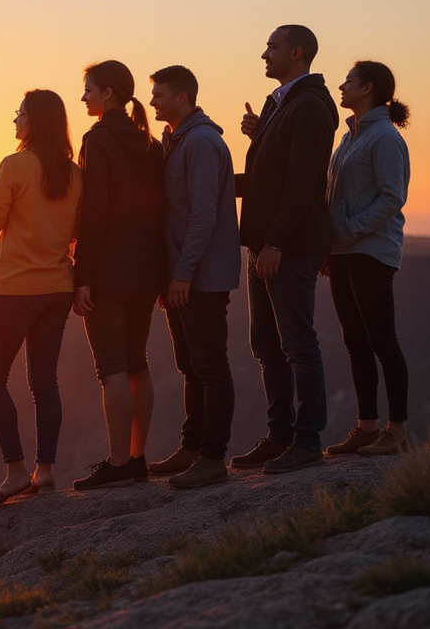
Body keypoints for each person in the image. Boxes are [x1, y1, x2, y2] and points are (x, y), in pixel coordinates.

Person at [232, 25, 339, 474]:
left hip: (286, 247)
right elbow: (273, 175)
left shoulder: (311, 105)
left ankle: (308, 440)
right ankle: (279, 436)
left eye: (272, 47)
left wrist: (275, 242)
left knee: (297, 342)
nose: (264, 54)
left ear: (296, 53)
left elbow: (301, 183)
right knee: (266, 345)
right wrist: (259, 137)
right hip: (264, 246)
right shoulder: (284, 104)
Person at [0, 89, 81, 508]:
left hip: (16, 288)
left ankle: (16, 470)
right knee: (45, 382)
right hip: (57, 287)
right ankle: (47, 471)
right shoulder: (74, 173)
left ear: (33, 121)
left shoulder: (14, 165)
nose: (15, 122)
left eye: (19, 115)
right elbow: (76, 230)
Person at [71, 60, 168, 490]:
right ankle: (137, 457)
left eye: (89, 89)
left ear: (108, 93)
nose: (84, 97)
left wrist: (83, 273)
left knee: (110, 366)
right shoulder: (150, 143)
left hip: (108, 271)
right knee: (136, 364)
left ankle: (116, 463)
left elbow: (95, 211)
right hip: (147, 270)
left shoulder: (98, 140)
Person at [147, 66, 240, 489]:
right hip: (181, 278)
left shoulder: (201, 143)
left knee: (210, 366)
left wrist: (182, 274)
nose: (152, 102)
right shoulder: (177, 141)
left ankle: (213, 457)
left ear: (182, 97)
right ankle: (191, 446)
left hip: (200, 278)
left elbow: (203, 215)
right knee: (190, 366)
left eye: (159, 95)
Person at [322, 61, 412, 457]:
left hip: (371, 250)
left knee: (381, 340)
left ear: (368, 88)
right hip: (343, 249)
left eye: (349, 81)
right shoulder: (351, 136)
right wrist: (330, 243)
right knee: (355, 340)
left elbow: (393, 197)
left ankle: (396, 431)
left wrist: (349, 230)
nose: (342, 86)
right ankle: (366, 426)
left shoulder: (384, 138)